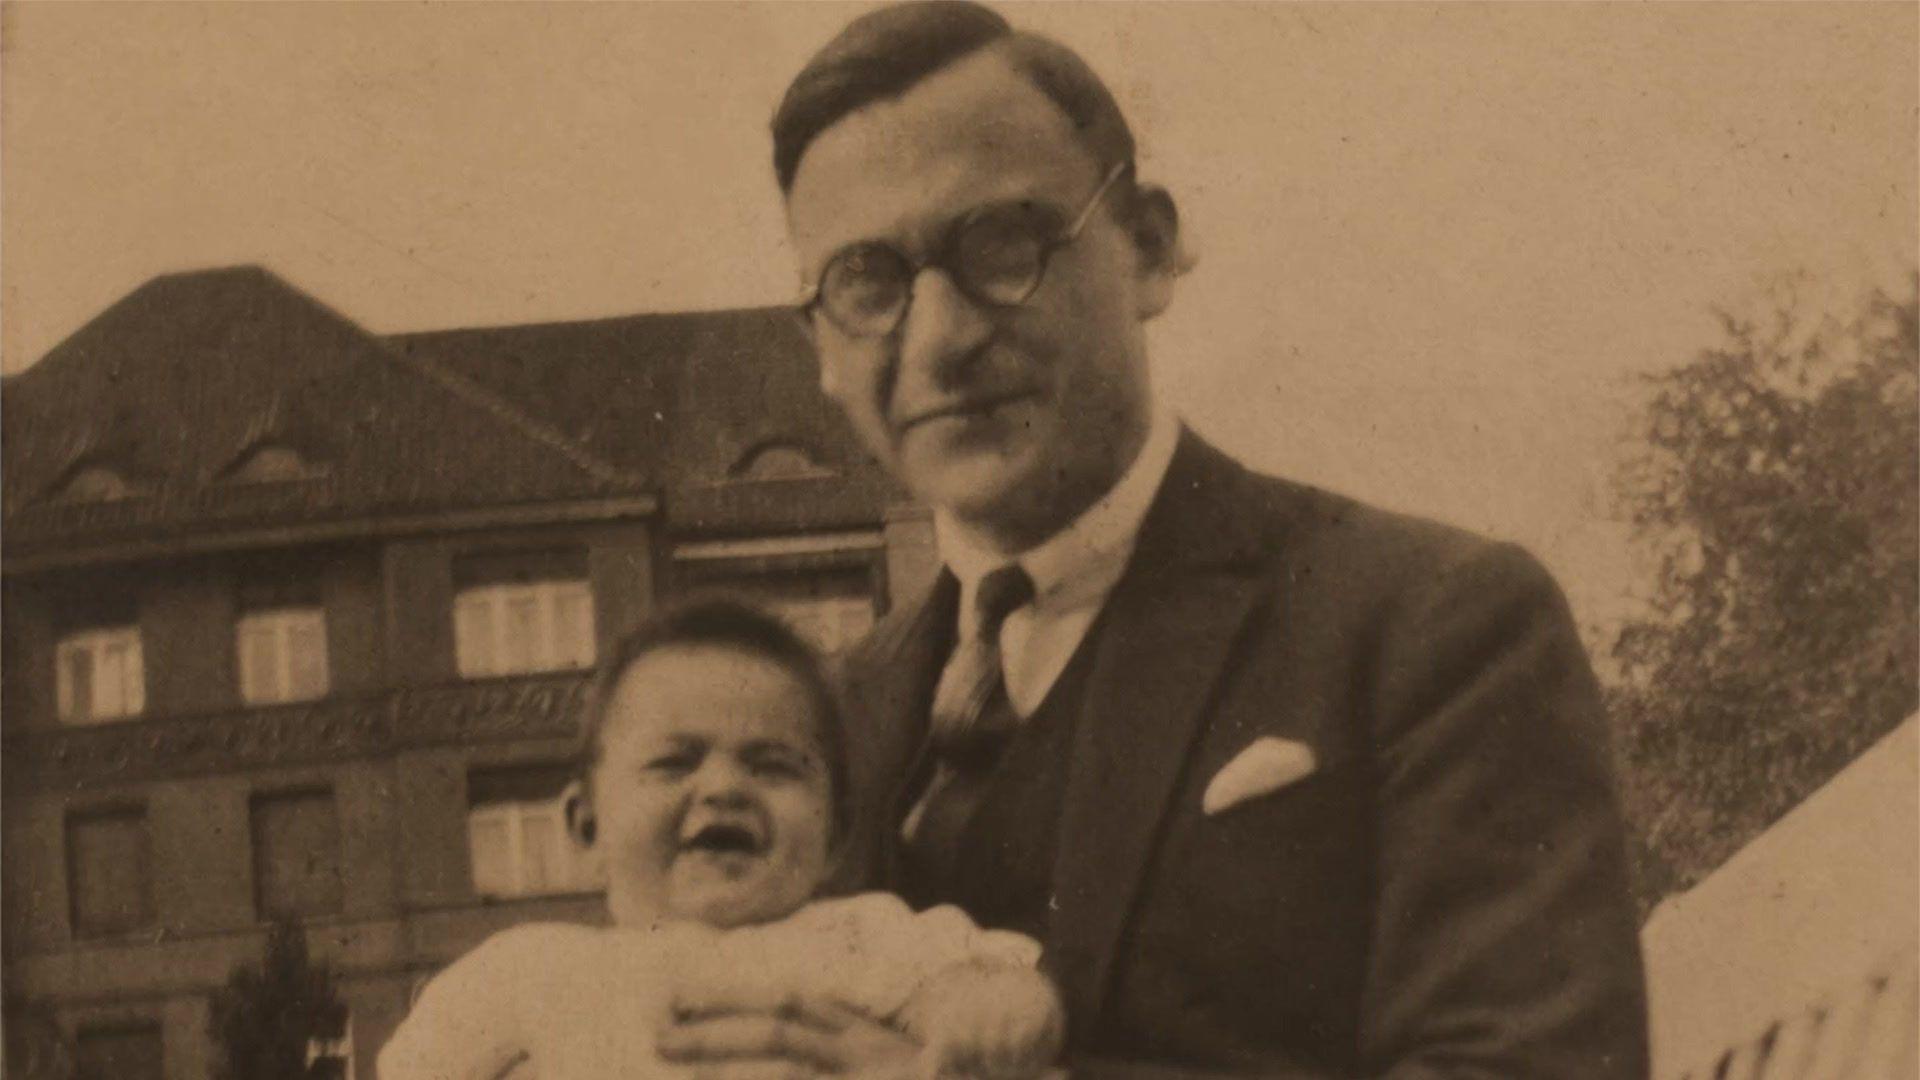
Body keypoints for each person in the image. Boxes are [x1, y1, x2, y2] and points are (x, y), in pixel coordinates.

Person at [659, 3, 1650, 1079]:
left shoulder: (1432, 623)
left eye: (1002, 246)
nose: (939, 340)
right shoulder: (815, 732)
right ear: (818, 344)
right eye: (868, 283)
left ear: (1150, 249)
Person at [379, 599, 1066, 1080]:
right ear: (587, 828)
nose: (724, 788)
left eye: (773, 766)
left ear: (835, 835)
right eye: (674, 762)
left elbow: (987, 991)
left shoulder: (865, 938)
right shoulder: (528, 971)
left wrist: (991, 1017)